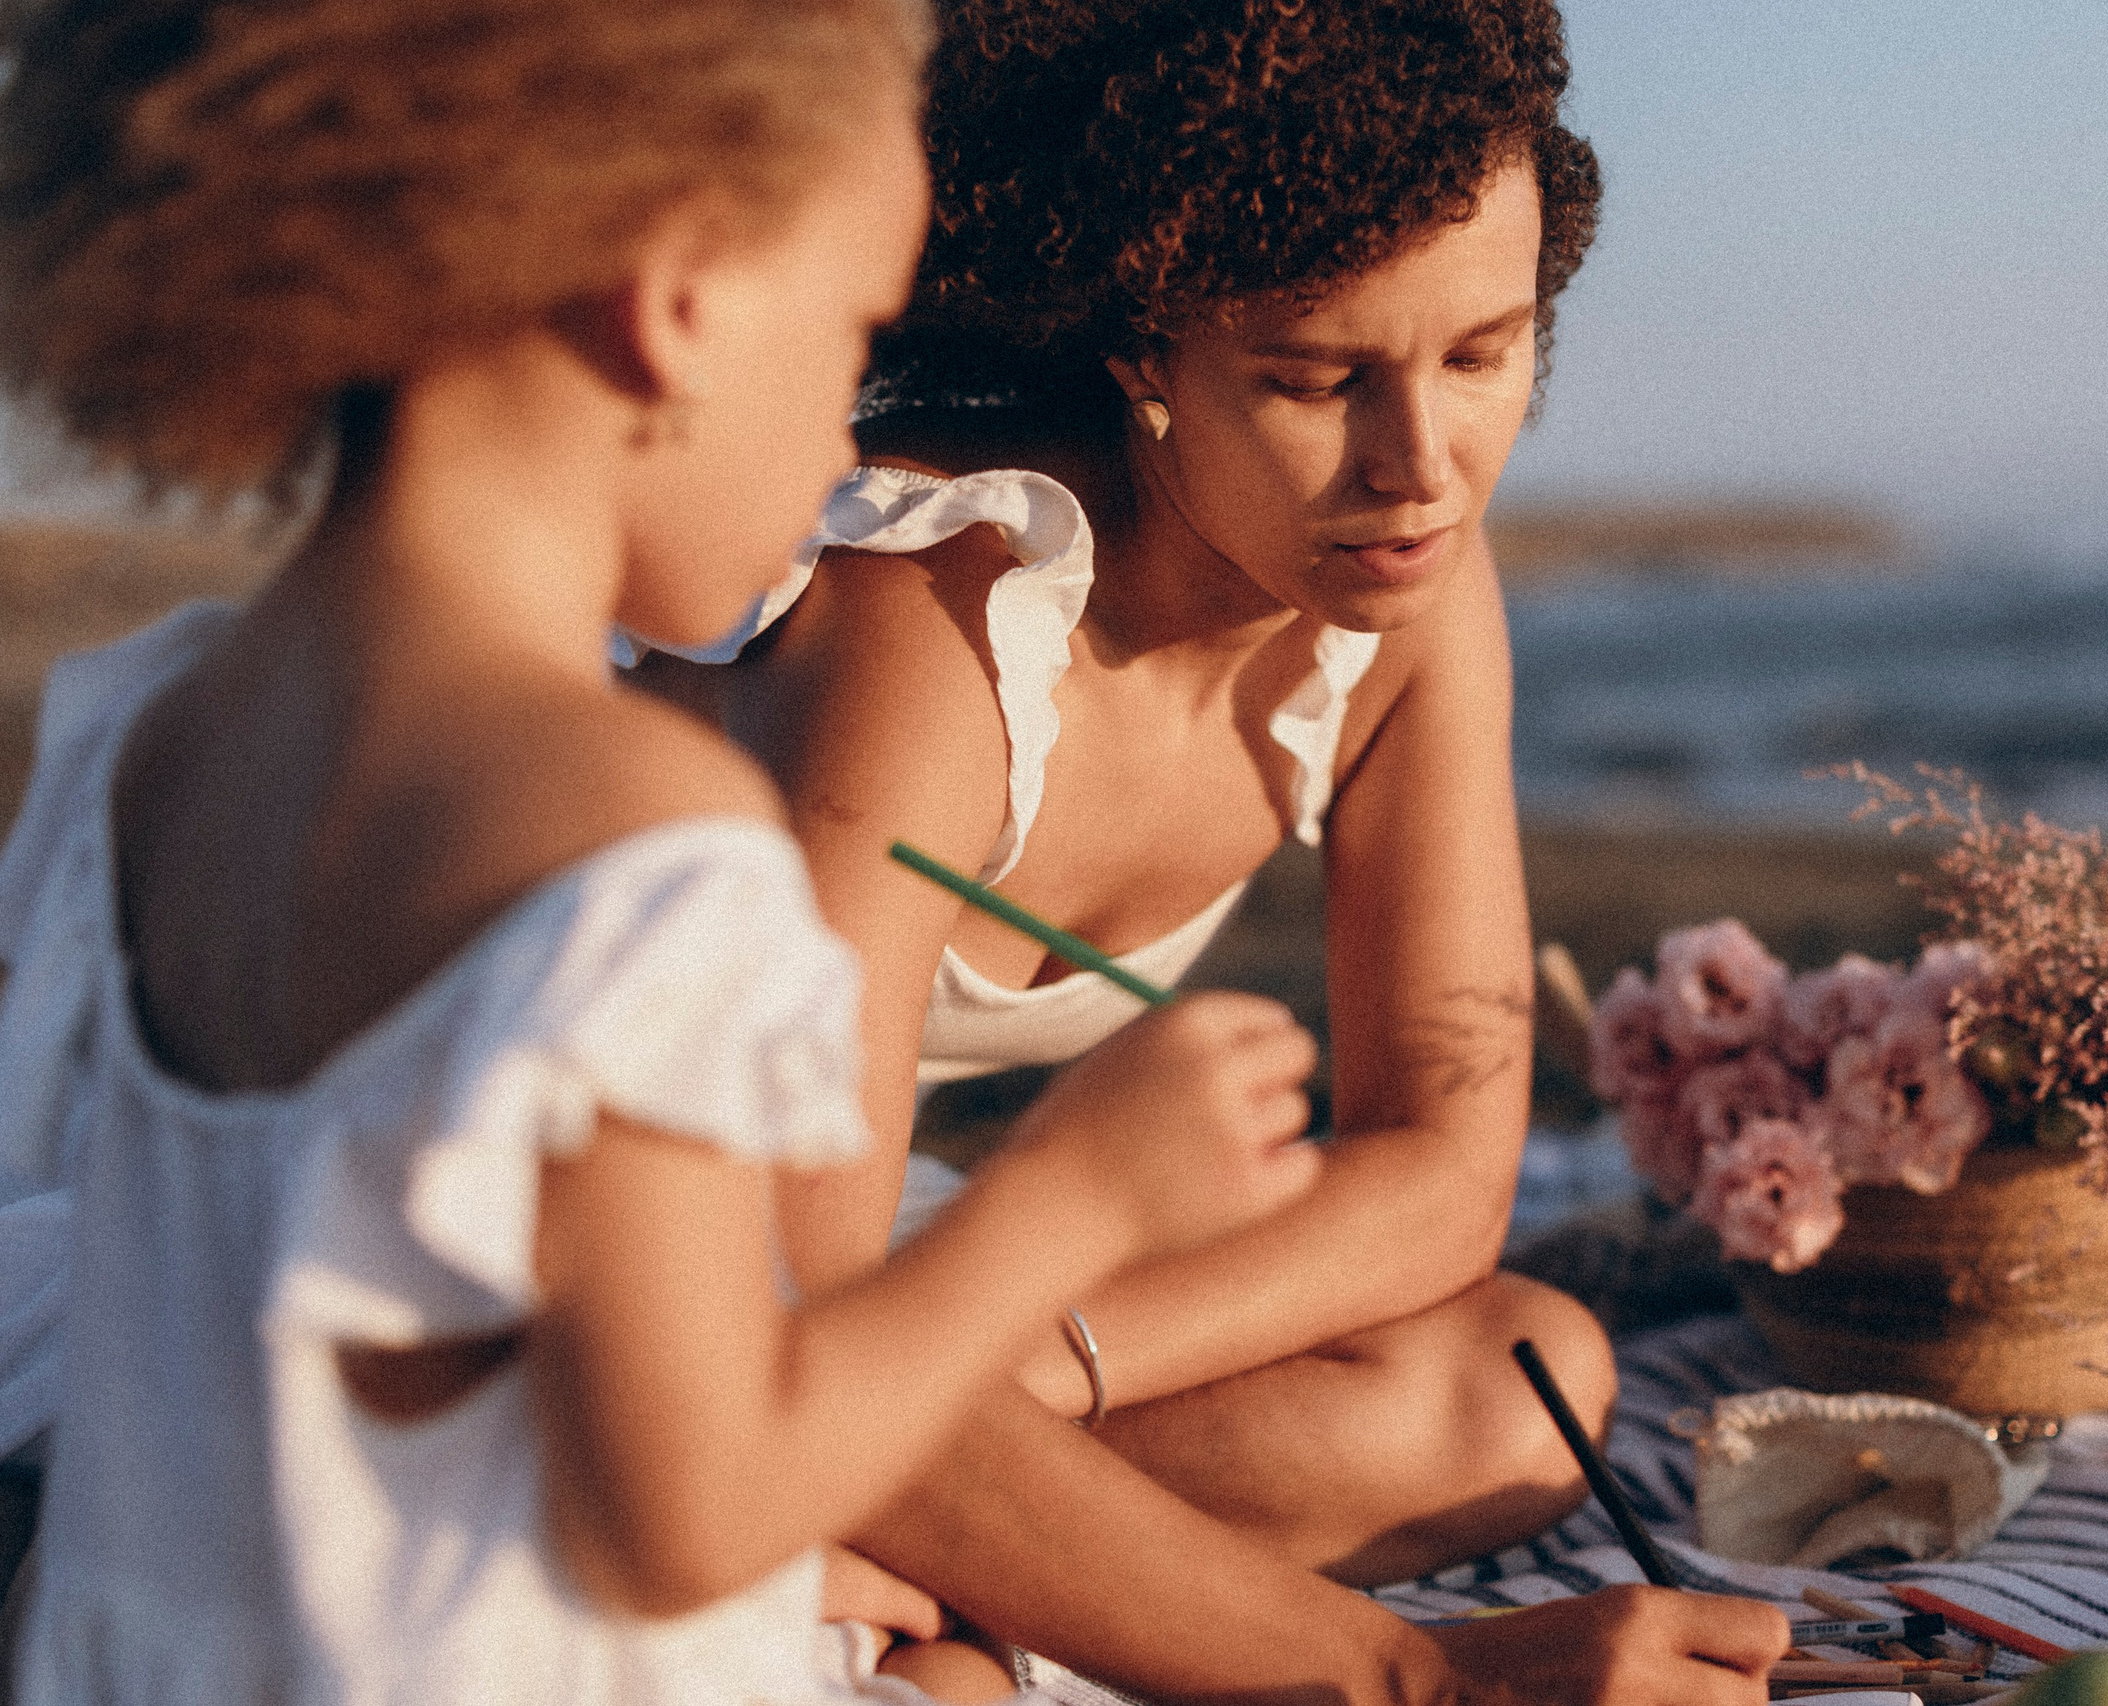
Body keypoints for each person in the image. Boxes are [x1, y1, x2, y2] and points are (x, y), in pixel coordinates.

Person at [0, 0, 1328, 1697]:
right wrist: (1074, 1196)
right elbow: (693, 1510)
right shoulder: (638, 839)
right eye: (853, 340)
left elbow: (298, 1355)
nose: (847, 444)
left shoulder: (160, 731)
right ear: (680, 299)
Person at [634, 1, 1792, 1699]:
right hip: (628, 1295)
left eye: (1484, 355)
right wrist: (1420, 1675)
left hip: (890, 1309)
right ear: (1141, 354)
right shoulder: (932, 622)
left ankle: (921, 1560)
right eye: (1321, 380)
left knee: (1517, 1383)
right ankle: (927, 1578)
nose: (1421, 468)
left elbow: (1444, 1163)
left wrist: (1036, 1368)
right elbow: (786, 1304)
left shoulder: (1410, 594)